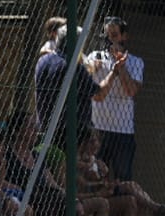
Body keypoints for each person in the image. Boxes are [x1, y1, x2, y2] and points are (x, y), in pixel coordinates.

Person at [82, 16, 144, 181]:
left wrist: (120, 68)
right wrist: (92, 68)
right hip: (98, 128)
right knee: (95, 175)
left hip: (122, 130)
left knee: (122, 177)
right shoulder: (95, 57)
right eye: (107, 35)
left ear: (124, 37)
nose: (110, 40)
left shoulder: (136, 62)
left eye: (115, 35)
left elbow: (131, 91)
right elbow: (87, 84)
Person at [33, 24, 119, 137]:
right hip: (70, 133)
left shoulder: (43, 61)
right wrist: (114, 72)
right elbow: (99, 95)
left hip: (45, 126)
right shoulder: (73, 67)